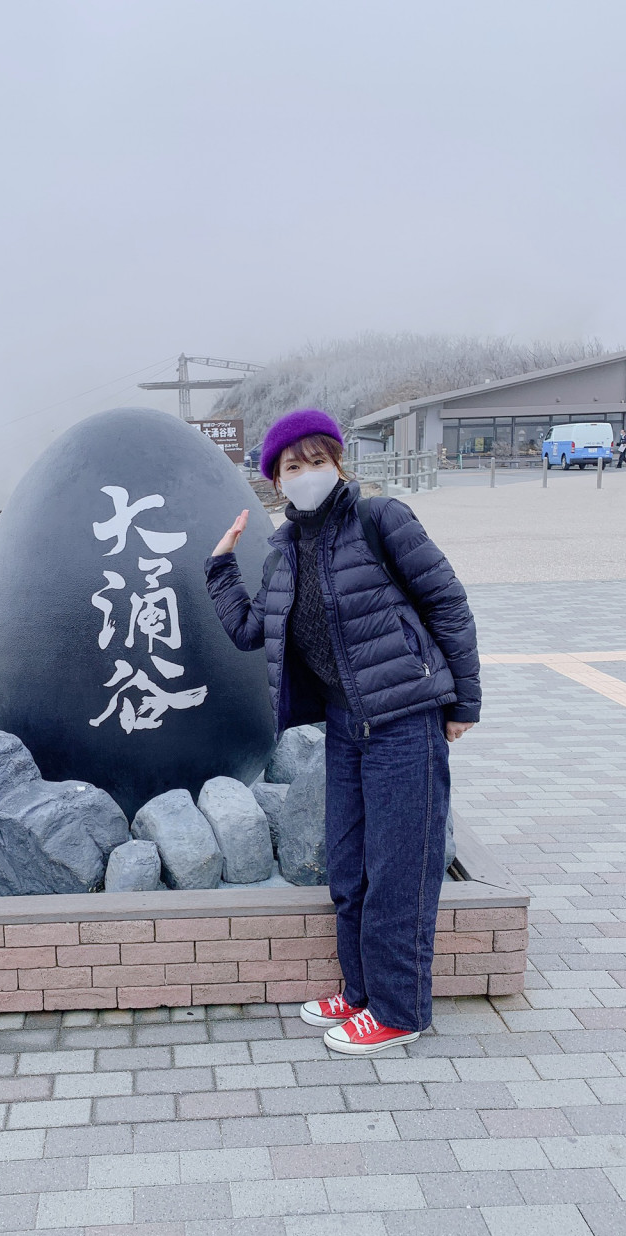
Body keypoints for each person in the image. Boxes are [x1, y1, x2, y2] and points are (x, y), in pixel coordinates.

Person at [204, 409, 481, 1056]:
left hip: (404, 719)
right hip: (345, 727)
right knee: (350, 868)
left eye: (317, 460)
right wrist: (219, 569)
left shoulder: (382, 520)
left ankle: (400, 1010)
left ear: (338, 463)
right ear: (276, 480)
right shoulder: (284, 553)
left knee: (399, 872)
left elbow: (447, 603)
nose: (307, 474)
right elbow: (249, 631)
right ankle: (361, 993)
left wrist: (463, 702)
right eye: (292, 466)